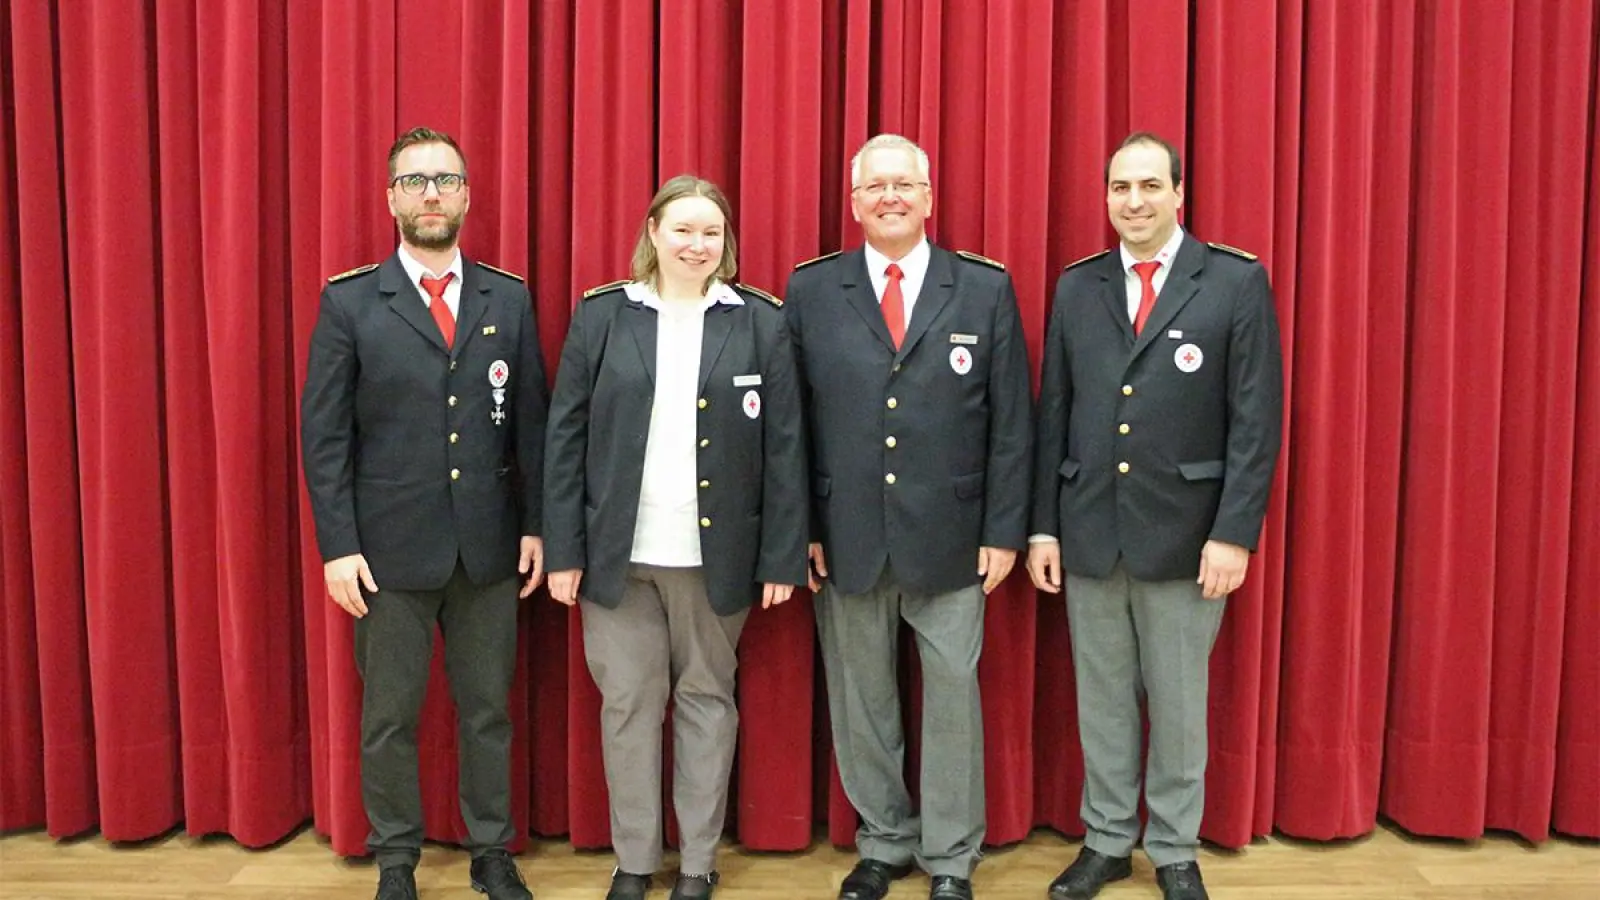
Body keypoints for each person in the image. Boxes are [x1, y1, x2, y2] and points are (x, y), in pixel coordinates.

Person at [1027, 132, 1284, 900]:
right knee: (1100, 699)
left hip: (1187, 536)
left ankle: (1173, 847)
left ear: (1180, 193)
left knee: (1177, 703)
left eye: (1148, 186)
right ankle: (1106, 839)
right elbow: (1055, 416)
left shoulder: (1233, 282)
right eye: (1118, 188)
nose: (1132, 201)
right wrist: (1043, 525)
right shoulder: (1078, 286)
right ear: (1105, 197)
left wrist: (1235, 531)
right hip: (1091, 533)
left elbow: (1256, 420)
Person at [543, 175, 808, 900]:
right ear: (653, 232)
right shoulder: (603, 316)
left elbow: (785, 446)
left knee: (704, 702)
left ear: (727, 246)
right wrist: (563, 548)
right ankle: (634, 861)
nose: (697, 245)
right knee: (628, 706)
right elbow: (564, 438)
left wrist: (783, 552)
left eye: (711, 233)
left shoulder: (759, 321)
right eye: (683, 230)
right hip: (617, 559)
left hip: (715, 560)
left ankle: (696, 863)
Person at [784, 134, 1033, 900]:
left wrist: (1002, 531)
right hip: (847, 533)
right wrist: (803, 531)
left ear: (930, 196)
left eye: (905, 184)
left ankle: (952, 857)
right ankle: (885, 840)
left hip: (954, 537)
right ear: (854, 201)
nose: (890, 196)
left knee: (952, 697)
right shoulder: (812, 291)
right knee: (861, 696)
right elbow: (790, 425)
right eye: (875, 186)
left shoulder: (984, 289)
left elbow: (1012, 424)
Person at [300, 126, 545, 900]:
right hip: (388, 553)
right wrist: (339, 546)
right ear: (391, 198)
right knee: (390, 719)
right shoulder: (350, 301)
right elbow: (325, 434)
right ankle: (397, 859)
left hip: (487, 548)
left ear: (468, 195)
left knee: (486, 714)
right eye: (414, 181)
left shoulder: (508, 297)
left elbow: (532, 424)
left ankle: (490, 852)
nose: (431, 193)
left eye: (445, 179)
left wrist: (536, 525)